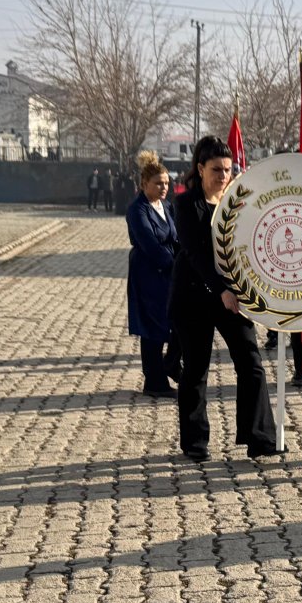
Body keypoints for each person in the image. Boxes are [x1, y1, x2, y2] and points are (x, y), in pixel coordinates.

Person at [170, 136, 280, 461]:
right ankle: (195, 443)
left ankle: (259, 438)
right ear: (200, 169)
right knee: (195, 370)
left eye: (228, 170)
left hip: (235, 296)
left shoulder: (239, 200)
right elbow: (194, 253)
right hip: (194, 296)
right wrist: (220, 290)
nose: (223, 176)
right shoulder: (185, 204)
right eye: (216, 169)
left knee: (252, 364)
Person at [126, 150, 181, 398]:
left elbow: (175, 236)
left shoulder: (165, 206)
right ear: (144, 184)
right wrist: (173, 264)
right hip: (148, 272)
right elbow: (149, 243)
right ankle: (154, 380)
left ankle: (170, 363)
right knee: (152, 326)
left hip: (168, 271)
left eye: (166, 183)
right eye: (158, 183)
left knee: (175, 322)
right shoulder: (138, 210)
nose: (163, 188)